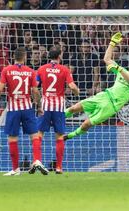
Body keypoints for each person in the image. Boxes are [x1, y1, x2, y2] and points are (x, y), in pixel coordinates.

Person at [63, 32, 129, 140]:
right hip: (104, 96)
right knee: (74, 108)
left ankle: (70, 136)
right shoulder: (122, 71)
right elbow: (107, 59)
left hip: (111, 106)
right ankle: (53, 119)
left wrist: (119, 69)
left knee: (86, 124)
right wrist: (112, 43)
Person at [0, 47, 48, 176]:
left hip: (13, 109)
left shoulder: (7, 70)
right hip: (27, 108)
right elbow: (35, 91)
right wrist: (39, 106)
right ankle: (37, 160)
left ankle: (16, 169)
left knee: (12, 138)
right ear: (25, 57)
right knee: (34, 135)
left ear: (14, 57)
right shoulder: (31, 71)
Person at [36, 46, 79, 174]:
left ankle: (37, 161)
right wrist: (77, 91)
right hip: (59, 106)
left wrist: (36, 100)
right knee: (59, 136)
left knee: (39, 134)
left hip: (45, 105)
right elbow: (71, 86)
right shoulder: (64, 69)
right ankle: (59, 167)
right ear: (59, 56)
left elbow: (35, 86)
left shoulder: (42, 69)